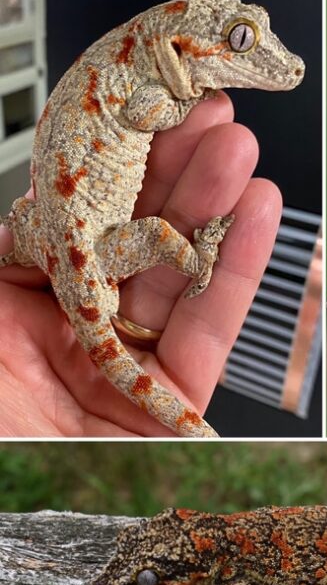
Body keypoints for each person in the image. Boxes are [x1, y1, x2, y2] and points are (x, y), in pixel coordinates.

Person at [0, 92, 281, 436]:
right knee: (154, 232)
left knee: (24, 212)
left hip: (56, 255)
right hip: (83, 264)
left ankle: (23, 252)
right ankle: (198, 260)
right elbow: (143, 112)